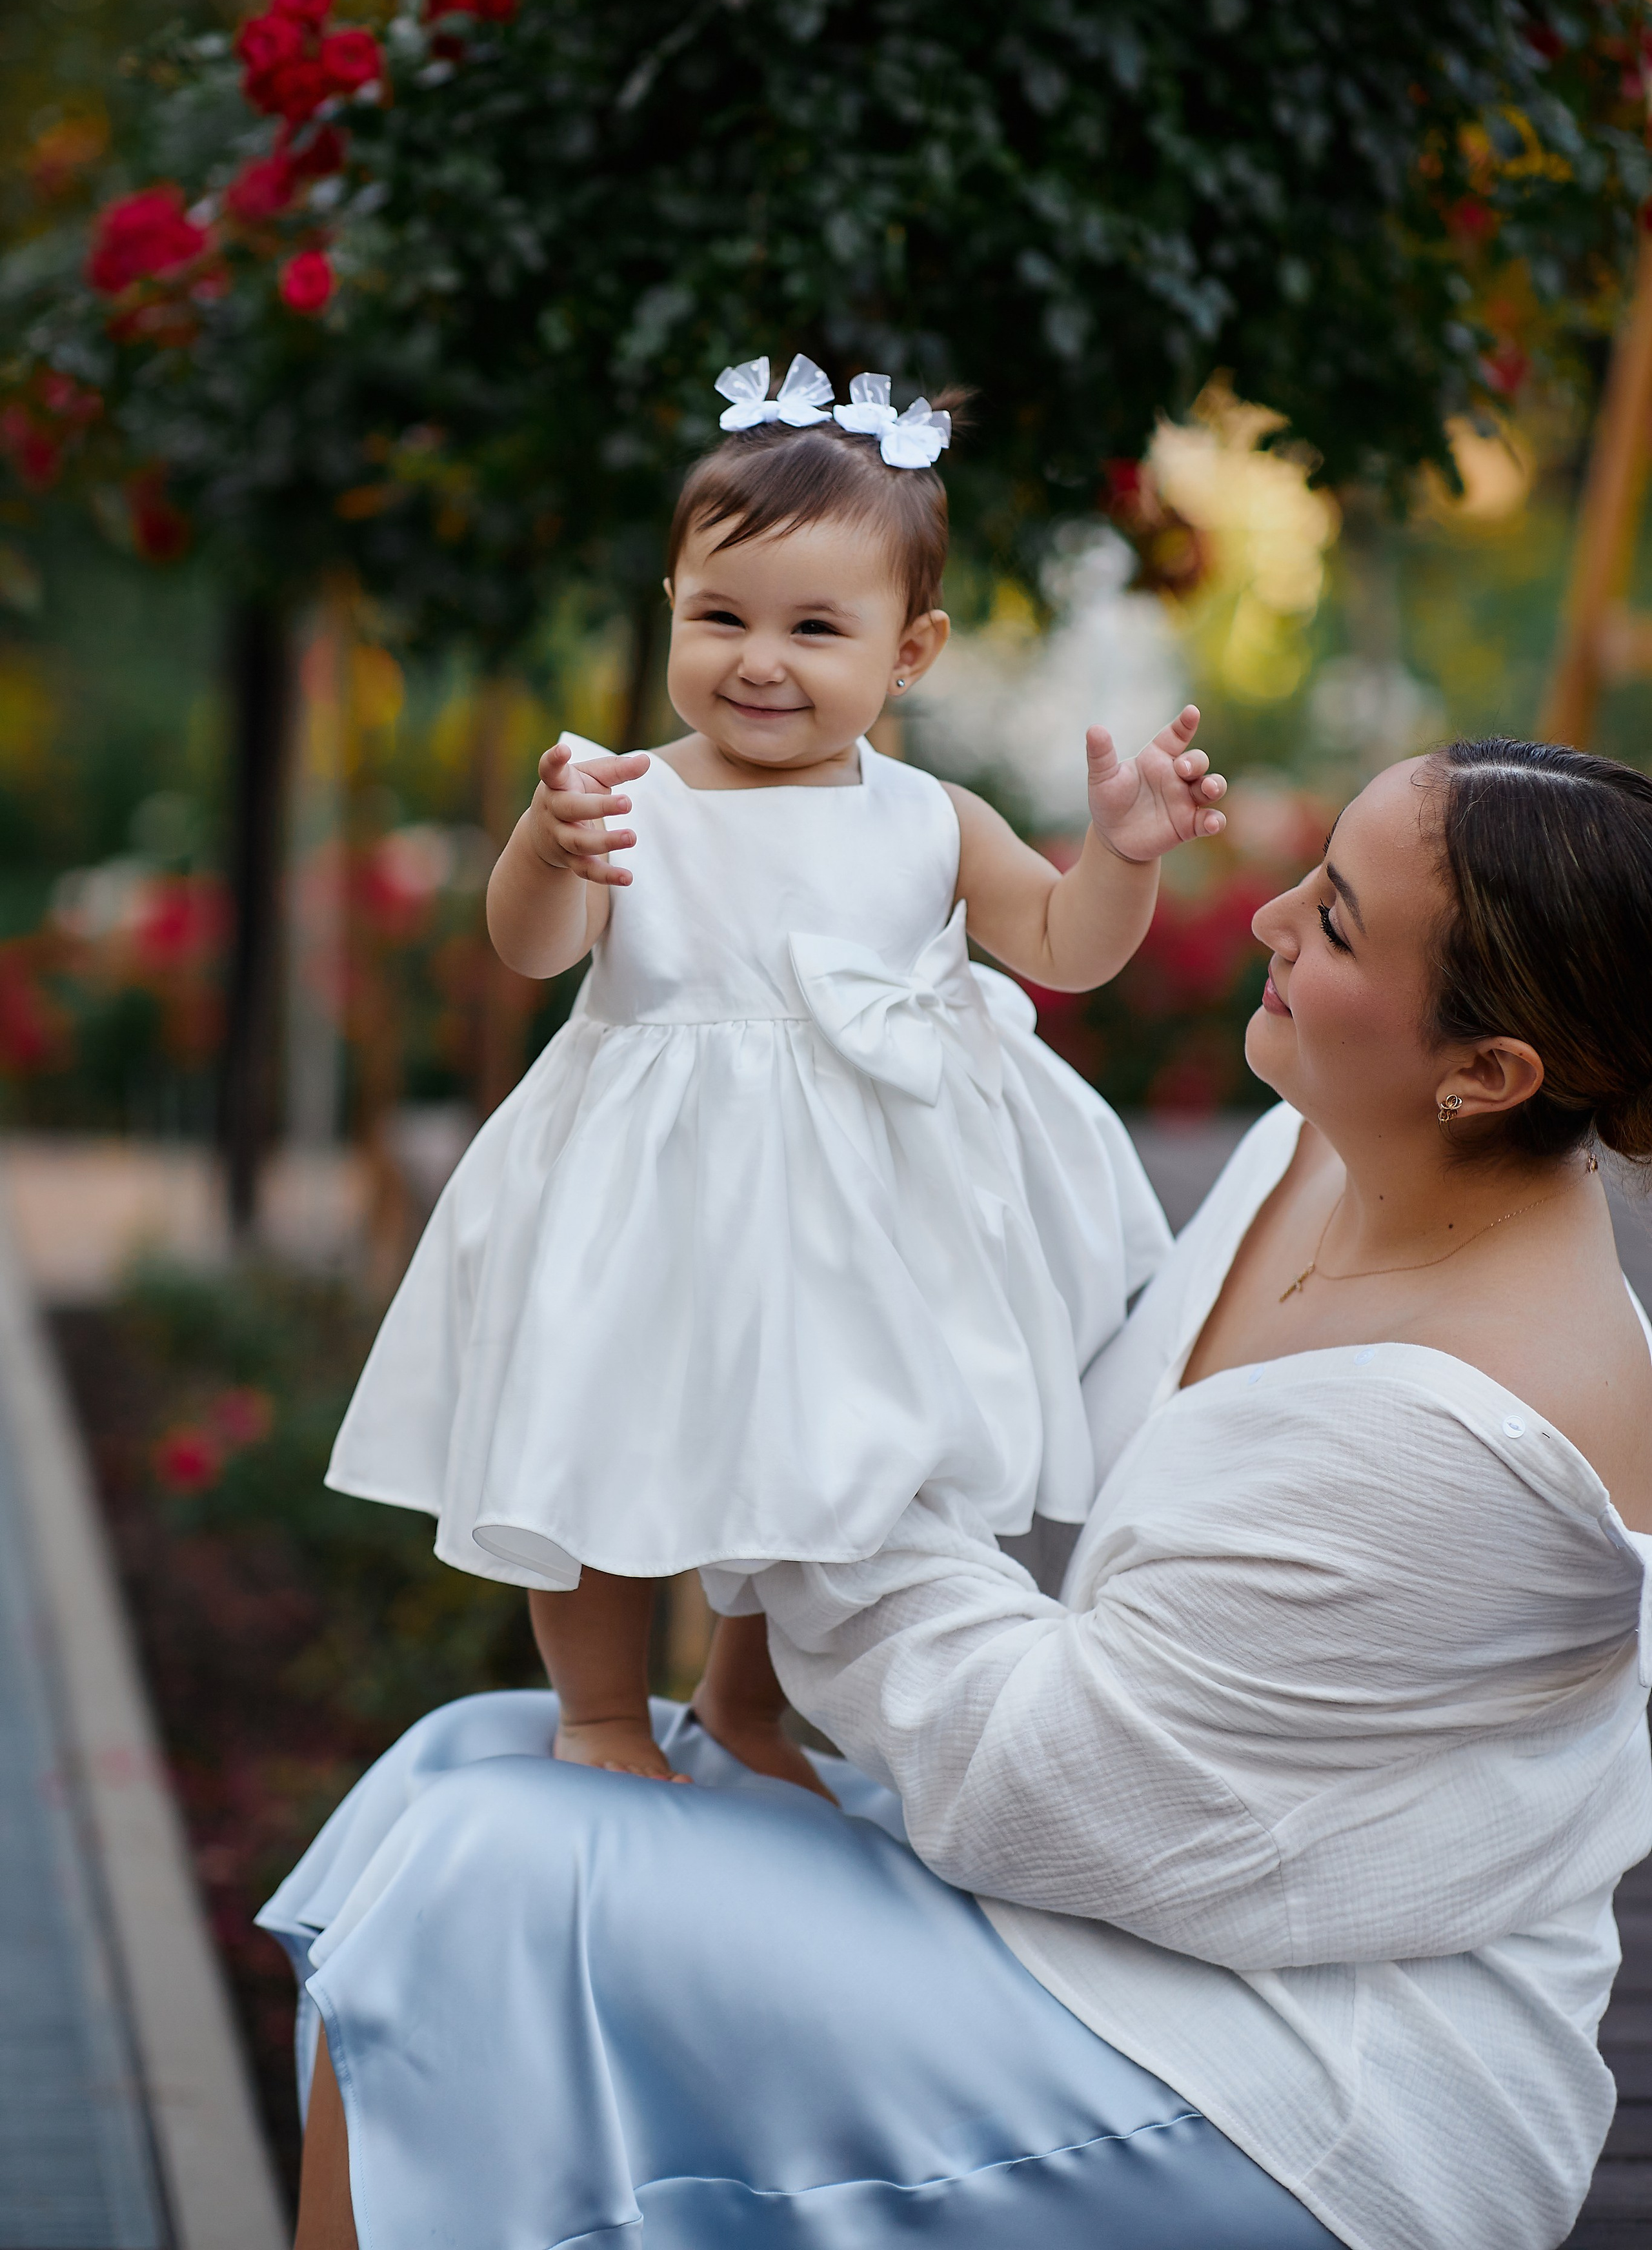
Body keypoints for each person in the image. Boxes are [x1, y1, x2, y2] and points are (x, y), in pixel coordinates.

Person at [269, 738, 1652, 2250]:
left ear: (1485, 1074)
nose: (1267, 916)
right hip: (1133, 1910)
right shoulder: (1312, 1154)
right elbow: (1036, 1392)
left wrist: (761, 1395)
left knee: (485, 1885)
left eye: (1329, 921)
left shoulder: (1466, 1435)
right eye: (1310, 874)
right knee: (462, 1762)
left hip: (1301, 2079)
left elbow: (1048, 1783)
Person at [323, 354, 1225, 1789]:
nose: (759, 659)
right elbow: (532, 950)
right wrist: (545, 851)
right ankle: (599, 1712)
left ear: (909, 652)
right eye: (721, 615)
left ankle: (748, 1705)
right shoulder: (622, 793)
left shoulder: (932, 818)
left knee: (822, 1471)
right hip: (653, 1201)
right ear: (671, 608)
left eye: (814, 628)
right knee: (605, 1435)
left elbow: (1065, 948)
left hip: (853, 1226)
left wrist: (1119, 858)